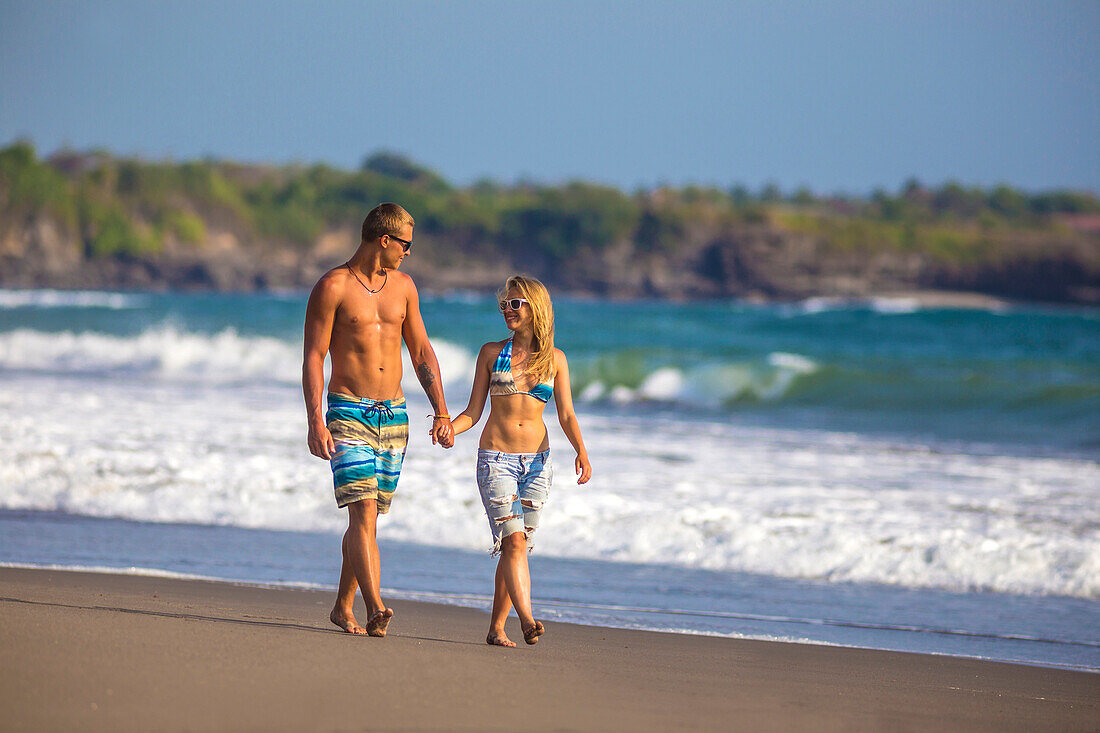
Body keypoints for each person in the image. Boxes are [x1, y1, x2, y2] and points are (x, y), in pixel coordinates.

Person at [303, 202, 454, 637]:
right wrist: (316, 420)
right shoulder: (332, 286)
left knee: (368, 520)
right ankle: (376, 607)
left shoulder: (404, 287)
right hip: (348, 410)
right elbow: (313, 357)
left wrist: (441, 409)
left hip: (396, 415)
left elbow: (422, 351)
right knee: (363, 512)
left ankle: (341, 606)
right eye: (405, 243)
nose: (409, 251)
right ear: (384, 240)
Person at [450, 275, 591, 647]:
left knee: (518, 545)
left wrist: (581, 450)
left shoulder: (555, 360)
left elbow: (567, 416)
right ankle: (528, 619)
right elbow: (473, 411)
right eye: (504, 305)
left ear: (535, 307)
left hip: (538, 465)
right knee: (513, 544)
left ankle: (497, 628)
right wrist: (450, 426)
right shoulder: (490, 353)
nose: (507, 311)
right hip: (496, 459)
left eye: (515, 304)